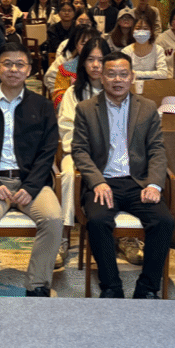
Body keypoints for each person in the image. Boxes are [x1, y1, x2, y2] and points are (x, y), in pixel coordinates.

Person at [72, 52, 174, 298]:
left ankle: (147, 287)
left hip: (138, 182)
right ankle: (111, 286)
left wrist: (154, 184)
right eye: (111, 74)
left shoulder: (147, 107)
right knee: (98, 221)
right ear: (102, 77)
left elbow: (157, 149)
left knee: (164, 221)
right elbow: (79, 150)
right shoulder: (86, 109)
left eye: (123, 74)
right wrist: (97, 182)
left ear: (132, 77)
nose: (117, 80)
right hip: (104, 182)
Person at [0, 43, 62, 297]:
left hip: (32, 183)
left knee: (53, 219)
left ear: (29, 70)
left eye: (20, 64)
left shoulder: (42, 106)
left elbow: (48, 151)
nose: (13, 69)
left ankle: (37, 286)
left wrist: (31, 187)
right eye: (7, 63)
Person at [57, 37, 110, 269]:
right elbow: (66, 127)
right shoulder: (73, 93)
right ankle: (63, 234)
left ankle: (126, 236)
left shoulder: (116, 89)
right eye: (90, 59)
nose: (96, 65)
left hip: (110, 154)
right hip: (78, 151)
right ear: (83, 63)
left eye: (101, 59)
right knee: (68, 175)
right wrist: (86, 151)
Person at [48, 25, 98, 107]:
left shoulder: (106, 68)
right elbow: (59, 97)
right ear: (76, 45)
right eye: (83, 44)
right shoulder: (65, 70)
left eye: (91, 44)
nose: (87, 48)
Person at [127, 9, 170, 80]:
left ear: (151, 31)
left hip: (153, 85)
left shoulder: (158, 50)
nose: (141, 32)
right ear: (132, 31)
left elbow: (163, 73)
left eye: (145, 29)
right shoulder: (126, 51)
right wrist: (153, 74)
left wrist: (136, 73)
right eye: (138, 28)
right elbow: (125, 73)